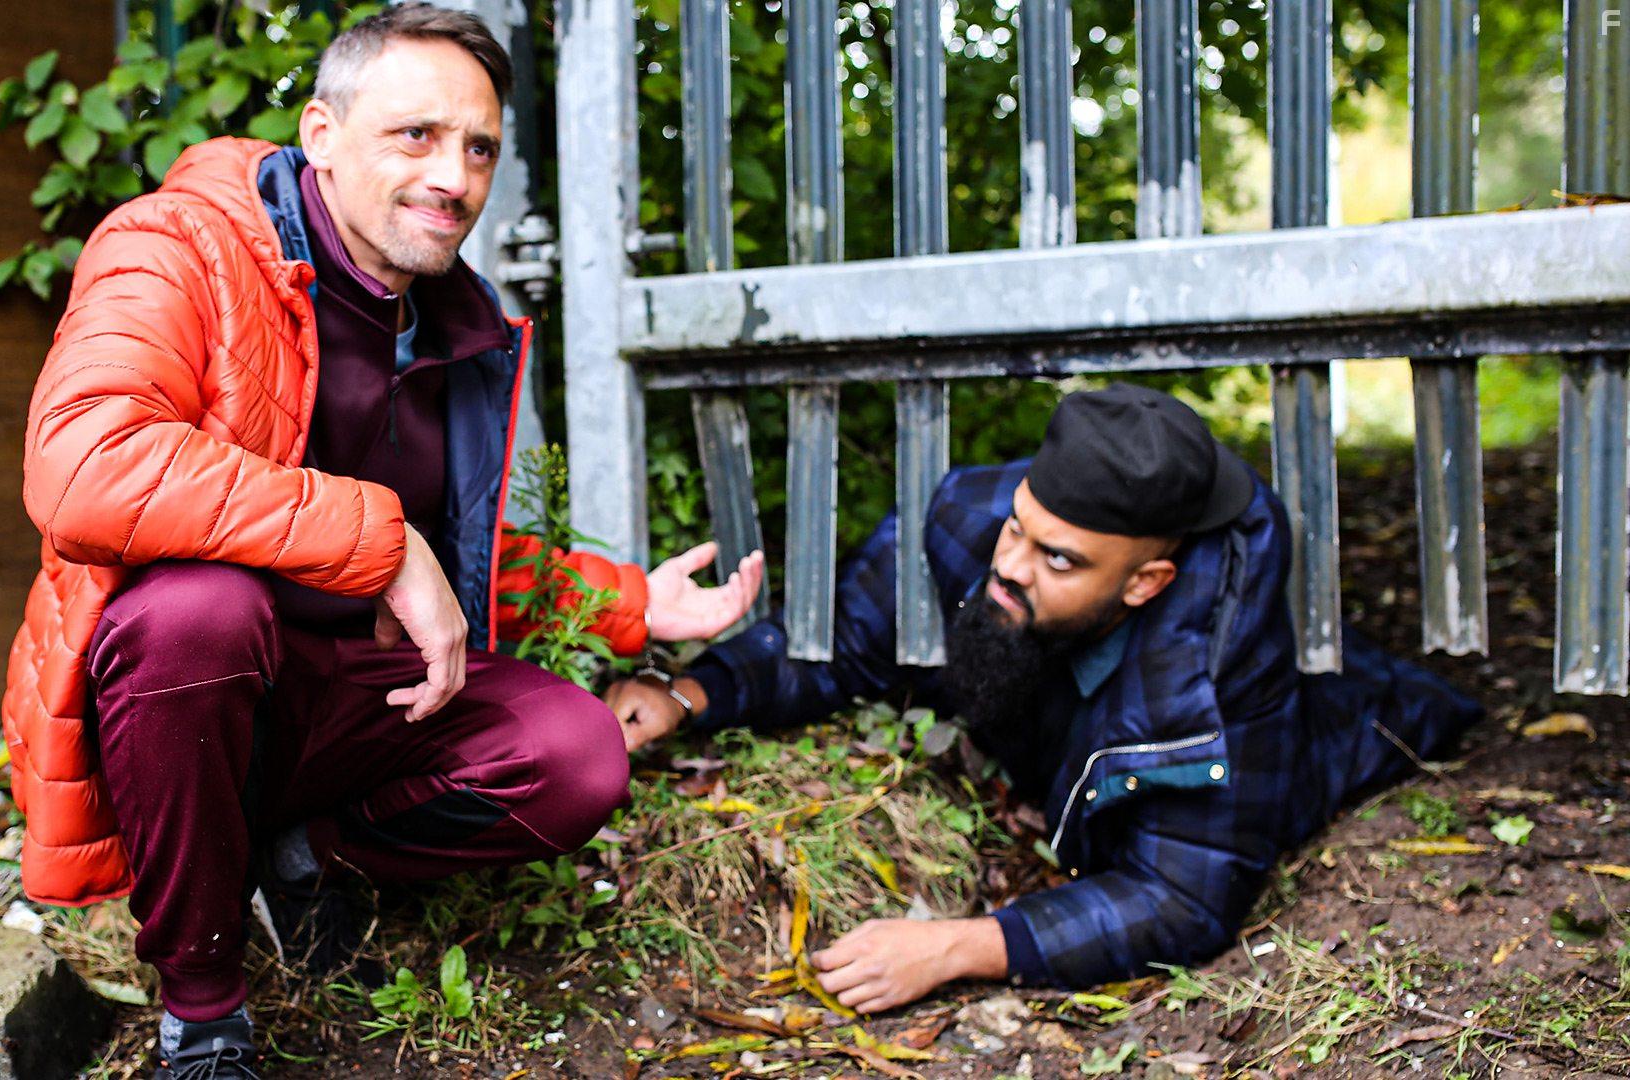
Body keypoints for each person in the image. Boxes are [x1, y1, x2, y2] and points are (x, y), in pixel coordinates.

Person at [0, 6, 763, 1075]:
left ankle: (300, 856)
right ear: (321, 133)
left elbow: (455, 558)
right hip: (198, 696)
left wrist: (632, 602)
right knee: (195, 613)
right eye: (416, 135)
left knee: (577, 754)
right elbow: (83, 465)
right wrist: (381, 540)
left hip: (359, 692)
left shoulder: (452, 320)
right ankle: (203, 1010)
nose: (453, 176)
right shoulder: (177, 245)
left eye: (480, 148)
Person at [606, 382, 1480, 1013]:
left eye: (1057, 559)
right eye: (1019, 528)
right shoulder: (980, 526)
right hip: (1081, 707)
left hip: (1331, 731)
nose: (1011, 567)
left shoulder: (1216, 666)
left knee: (1381, 707)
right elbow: (851, 637)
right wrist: (689, 693)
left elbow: (1185, 894)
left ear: (1145, 582)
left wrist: (961, 946)